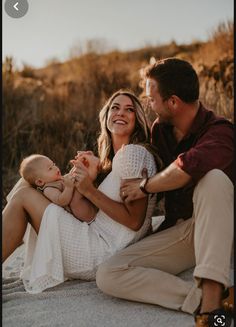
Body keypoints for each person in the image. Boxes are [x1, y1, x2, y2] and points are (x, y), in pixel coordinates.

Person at [96, 59, 234, 327]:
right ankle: (202, 300)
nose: (148, 104)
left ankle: (213, 306)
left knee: (214, 179)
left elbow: (187, 167)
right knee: (109, 273)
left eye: (151, 98)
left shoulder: (221, 132)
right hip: (184, 232)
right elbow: (137, 159)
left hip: (221, 229)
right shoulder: (161, 130)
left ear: (173, 102)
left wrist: (145, 187)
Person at [2, 90, 162, 294]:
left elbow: (134, 221)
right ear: (106, 117)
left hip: (100, 252)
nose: (121, 113)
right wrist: (88, 181)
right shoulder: (115, 161)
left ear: (137, 120)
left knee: (24, 195)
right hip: (93, 241)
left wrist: (89, 189)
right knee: (27, 182)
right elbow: (88, 216)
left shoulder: (133, 153)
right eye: (115, 107)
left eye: (129, 110)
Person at [18, 152, 100, 223]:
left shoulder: (57, 179)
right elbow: (61, 201)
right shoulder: (49, 189)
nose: (55, 168)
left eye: (53, 164)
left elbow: (69, 178)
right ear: (40, 182)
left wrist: (75, 169)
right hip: (81, 214)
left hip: (88, 205)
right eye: (50, 169)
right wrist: (69, 187)